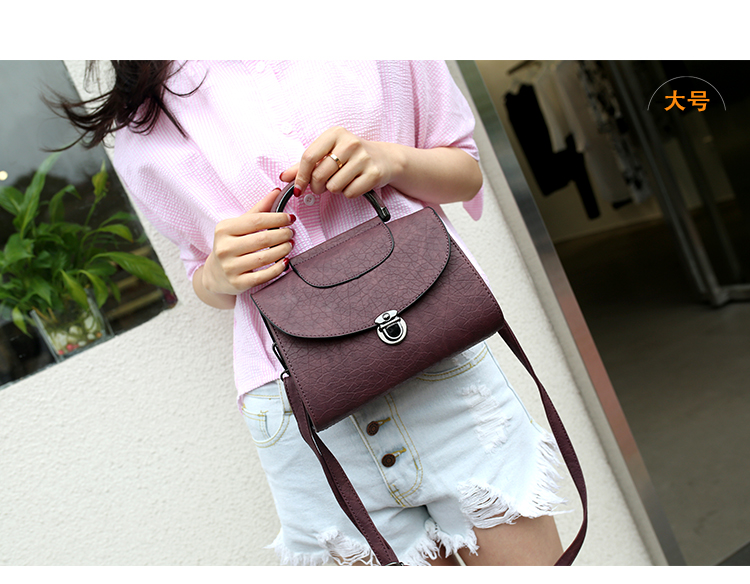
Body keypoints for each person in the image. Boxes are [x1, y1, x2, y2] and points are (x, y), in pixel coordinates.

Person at [53, 60, 565, 566]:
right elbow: (200, 273)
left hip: (431, 355)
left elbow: (465, 171)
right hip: (301, 407)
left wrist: (390, 160)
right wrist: (218, 274)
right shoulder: (143, 108)